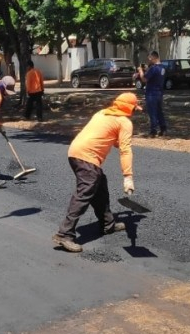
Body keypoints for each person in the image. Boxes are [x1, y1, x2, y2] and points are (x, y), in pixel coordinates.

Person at [52, 93, 141, 253]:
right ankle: (64, 234)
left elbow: (107, 137)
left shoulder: (103, 113)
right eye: (134, 109)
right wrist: (128, 176)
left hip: (74, 152)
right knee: (84, 193)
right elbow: (125, 150)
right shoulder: (124, 122)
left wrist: (119, 140)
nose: (134, 112)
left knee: (100, 186)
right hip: (87, 157)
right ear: (130, 108)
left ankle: (108, 224)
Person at [138, 51, 167, 137]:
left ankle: (153, 131)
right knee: (159, 111)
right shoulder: (162, 68)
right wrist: (147, 70)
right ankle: (163, 128)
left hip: (151, 93)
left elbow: (144, 79)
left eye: (150, 58)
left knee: (152, 112)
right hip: (159, 93)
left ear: (154, 57)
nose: (149, 60)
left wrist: (140, 71)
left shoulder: (153, 68)